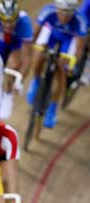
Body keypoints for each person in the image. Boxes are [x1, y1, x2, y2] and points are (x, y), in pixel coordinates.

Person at [26, 0, 87, 128]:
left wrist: (71, 63)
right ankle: (36, 82)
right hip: (51, 34)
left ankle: (52, 110)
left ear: (73, 13)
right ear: (56, 9)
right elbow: (34, 35)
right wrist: (31, 49)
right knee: (38, 57)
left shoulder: (81, 21)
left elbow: (79, 49)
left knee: (61, 71)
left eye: (68, 14)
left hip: (68, 40)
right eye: (61, 13)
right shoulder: (48, 11)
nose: (64, 17)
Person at [0, 0, 34, 118]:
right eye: (5, 21)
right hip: (0, 43)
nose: (8, 25)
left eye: (12, 21)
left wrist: (19, 81)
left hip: (15, 44)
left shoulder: (25, 24)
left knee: (14, 65)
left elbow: (27, 59)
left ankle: (8, 93)